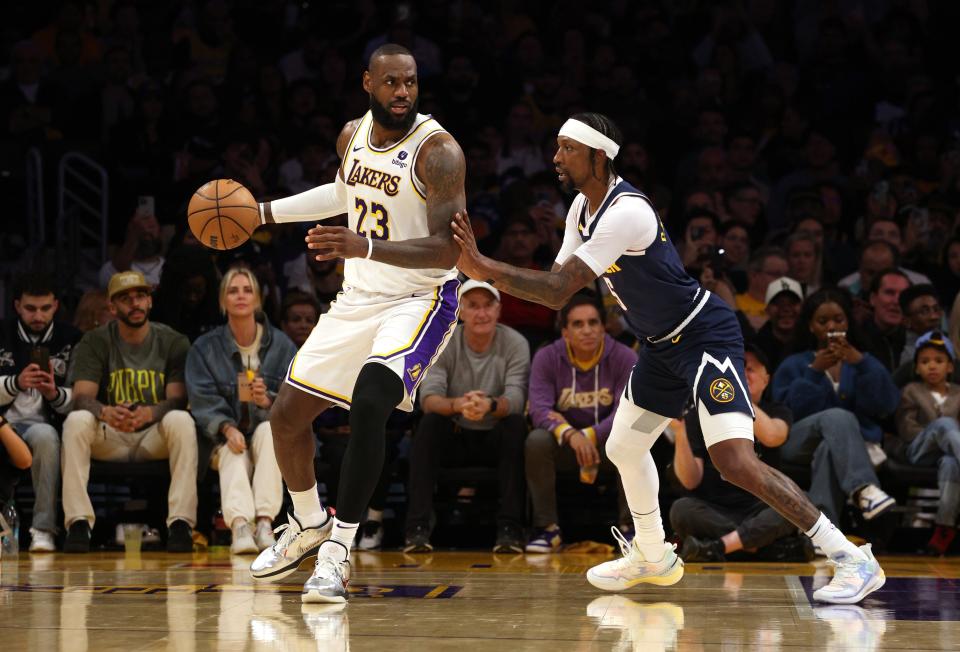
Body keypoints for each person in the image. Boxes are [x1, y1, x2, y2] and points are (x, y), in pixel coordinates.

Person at [452, 112, 885, 604]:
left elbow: (554, 292)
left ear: (598, 156)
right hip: (660, 346)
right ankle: (653, 555)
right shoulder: (578, 209)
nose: (555, 157)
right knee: (624, 448)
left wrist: (482, 266)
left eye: (566, 148)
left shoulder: (626, 212)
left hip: (704, 337)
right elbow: (556, 284)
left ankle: (852, 557)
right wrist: (485, 270)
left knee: (735, 462)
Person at [246, 44, 465, 604]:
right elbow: (342, 195)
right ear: (367, 81)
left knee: (370, 402)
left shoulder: (438, 152)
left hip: (419, 299)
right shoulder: (353, 135)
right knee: (287, 417)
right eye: (391, 82)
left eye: (411, 82)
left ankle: (339, 550)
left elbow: (447, 252)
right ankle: (309, 522)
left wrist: (361, 244)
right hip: (358, 297)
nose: (402, 93)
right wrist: (263, 213)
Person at [61, 271, 197, 553]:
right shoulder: (95, 340)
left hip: (152, 436)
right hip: (111, 435)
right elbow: (82, 396)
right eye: (125, 299)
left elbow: (177, 399)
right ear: (112, 307)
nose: (134, 303)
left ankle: (180, 523)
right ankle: (78, 523)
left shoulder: (173, 341)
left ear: (150, 301)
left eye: (140, 296)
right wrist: (105, 411)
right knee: (77, 420)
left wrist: (149, 413)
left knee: (181, 420)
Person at [403, 280, 530, 553]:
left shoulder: (515, 343)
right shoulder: (445, 342)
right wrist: (460, 404)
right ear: (460, 311)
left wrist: (490, 405)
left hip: (495, 435)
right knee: (429, 424)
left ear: (498, 310)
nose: (481, 313)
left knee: (516, 425)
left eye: (488, 306)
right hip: (457, 434)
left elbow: (517, 399)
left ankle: (510, 529)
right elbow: (428, 399)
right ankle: (417, 528)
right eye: (473, 306)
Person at [185, 267, 296, 554]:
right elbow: (201, 398)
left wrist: (269, 401)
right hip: (221, 438)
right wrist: (225, 426)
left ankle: (264, 522)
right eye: (233, 291)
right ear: (223, 301)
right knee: (233, 448)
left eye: (247, 290)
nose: (241, 296)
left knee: (270, 431)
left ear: (258, 299)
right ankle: (240, 526)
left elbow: (296, 399)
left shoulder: (282, 346)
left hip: (265, 433)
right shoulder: (205, 347)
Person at [770, 288, 899, 521]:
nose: (831, 327)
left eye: (838, 320)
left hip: (849, 446)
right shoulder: (794, 364)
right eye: (822, 321)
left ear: (848, 322)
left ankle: (823, 532)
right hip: (798, 440)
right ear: (811, 326)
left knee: (828, 449)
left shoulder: (862, 361)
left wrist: (862, 364)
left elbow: (886, 406)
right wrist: (814, 372)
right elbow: (788, 412)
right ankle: (863, 488)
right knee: (837, 416)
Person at [524, 293, 637, 552]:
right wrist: (573, 436)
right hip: (567, 447)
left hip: (610, 446)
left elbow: (626, 412)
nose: (587, 330)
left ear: (603, 326)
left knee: (635, 438)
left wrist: (590, 435)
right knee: (536, 440)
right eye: (578, 324)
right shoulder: (547, 357)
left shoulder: (624, 357)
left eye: (593, 322)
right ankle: (547, 529)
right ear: (565, 331)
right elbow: (539, 410)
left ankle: (632, 528)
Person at [671, 346, 799, 562]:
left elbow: (773, 436)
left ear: (766, 379)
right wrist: (681, 434)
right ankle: (758, 545)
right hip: (716, 509)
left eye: (749, 369)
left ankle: (718, 546)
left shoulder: (777, 411)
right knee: (681, 510)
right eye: (736, 368)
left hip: (762, 506)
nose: (741, 373)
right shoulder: (699, 415)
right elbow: (690, 481)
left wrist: (737, 396)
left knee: (796, 502)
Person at [0, 273, 81, 551]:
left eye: (45, 308)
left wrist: (54, 393)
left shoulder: (71, 338)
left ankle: (43, 529)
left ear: (56, 306)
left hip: (42, 425)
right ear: (17, 306)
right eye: (30, 308)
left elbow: (82, 398)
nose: (38, 315)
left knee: (46, 437)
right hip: (2, 422)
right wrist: (15, 382)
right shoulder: (2, 333)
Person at [893, 331, 960, 555]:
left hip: (949, 454)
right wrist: (937, 432)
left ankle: (944, 527)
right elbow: (907, 429)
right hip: (919, 450)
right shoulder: (911, 391)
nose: (932, 366)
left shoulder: (959, 394)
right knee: (945, 425)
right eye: (925, 361)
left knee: (951, 463)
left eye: (939, 361)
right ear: (917, 368)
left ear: (950, 367)